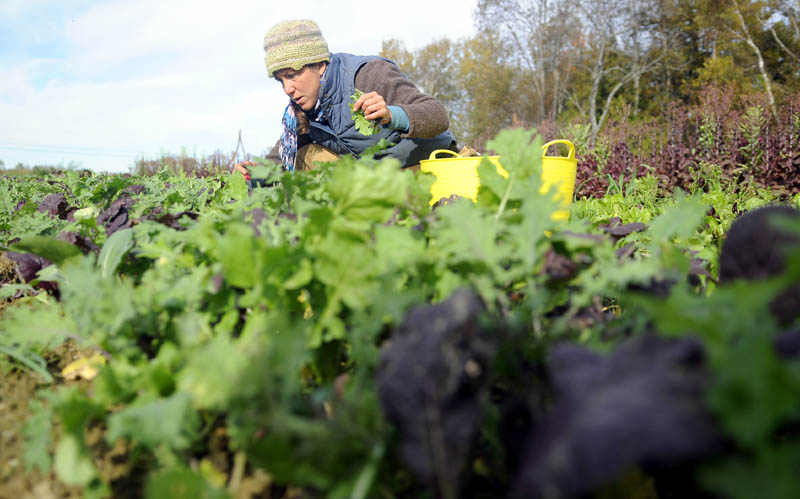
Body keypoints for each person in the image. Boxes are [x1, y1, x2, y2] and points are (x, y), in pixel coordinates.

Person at [232, 19, 457, 178]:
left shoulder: (368, 74)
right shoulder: (301, 113)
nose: (287, 89)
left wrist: (392, 114)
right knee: (305, 155)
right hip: (376, 180)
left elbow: (437, 114)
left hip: (424, 166)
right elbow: (282, 156)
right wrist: (253, 172)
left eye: (291, 75)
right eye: (280, 81)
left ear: (320, 65)